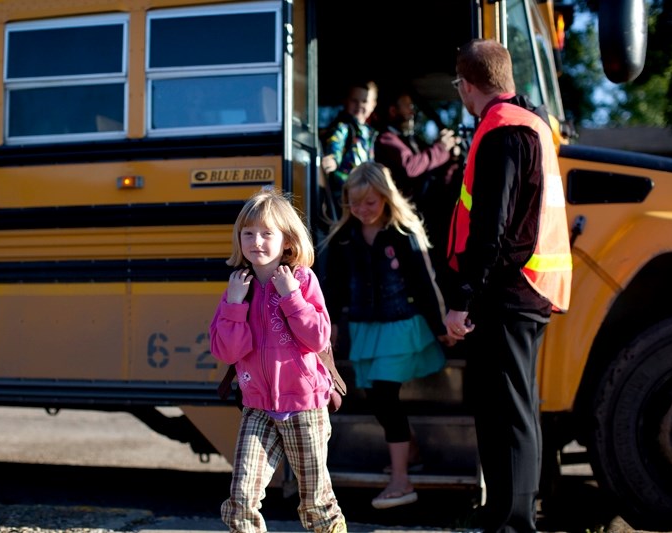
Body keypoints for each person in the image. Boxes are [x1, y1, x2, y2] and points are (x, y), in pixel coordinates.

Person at [444, 39, 573, 532]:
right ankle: (503, 512)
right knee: (505, 410)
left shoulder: (500, 132)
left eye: (459, 85)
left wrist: (463, 300)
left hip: (509, 292)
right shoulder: (530, 124)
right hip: (524, 290)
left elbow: (490, 232)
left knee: (510, 413)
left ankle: (515, 522)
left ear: (468, 85)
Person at [209, 188, 347, 533]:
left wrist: (291, 297)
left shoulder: (301, 280)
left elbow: (317, 338)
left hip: (304, 406)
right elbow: (227, 351)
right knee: (241, 499)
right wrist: (236, 304)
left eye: (267, 233)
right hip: (257, 406)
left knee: (316, 501)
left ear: (287, 240)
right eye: (248, 233)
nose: (256, 241)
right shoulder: (239, 287)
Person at [320, 161, 456, 510]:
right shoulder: (344, 238)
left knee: (384, 396)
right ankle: (409, 450)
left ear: (386, 197)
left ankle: (401, 480)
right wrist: (331, 323)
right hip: (365, 327)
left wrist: (441, 327)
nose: (362, 210)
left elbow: (427, 285)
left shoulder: (403, 233)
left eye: (371, 203)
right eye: (355, 203)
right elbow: (333, 286)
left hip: (401, 326)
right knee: (375, 396)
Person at [374, 90, 462, 277]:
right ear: (392, 111)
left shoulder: (412, 141)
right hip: (406, 219)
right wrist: (441, 148)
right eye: (408, 107)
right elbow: (411, 167)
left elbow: (431, 168)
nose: (412, 112)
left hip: (429, 217)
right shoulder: (386, 139)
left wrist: (451, 158)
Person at [320, 80, 379, 218]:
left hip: (363, 191)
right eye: (354, 101)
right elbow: (336, 143)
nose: (359, 105)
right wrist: (333, 160)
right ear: (346, 101)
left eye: (364, 101)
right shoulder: (343, 127)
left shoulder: (369, 132)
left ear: (373, 105)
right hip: (344, 194)